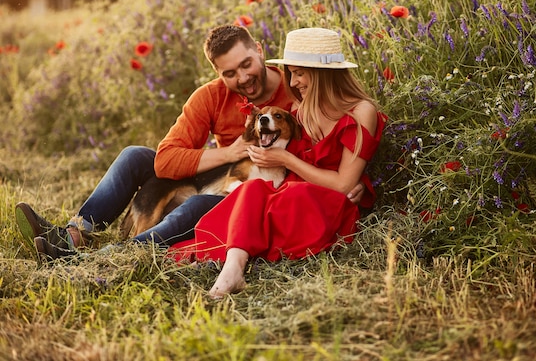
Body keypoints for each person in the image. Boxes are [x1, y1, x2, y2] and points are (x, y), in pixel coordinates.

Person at [16, 24, 365, 260]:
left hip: (243, 195)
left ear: (260, 51)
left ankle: (114, 256)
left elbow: (326, 152)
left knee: (198, 205)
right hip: (215, 178)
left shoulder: (300, 98)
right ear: (217, 73)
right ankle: (76, 233)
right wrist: (229, 151)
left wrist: (351, 184)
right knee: (136, 155)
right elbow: (164, 161)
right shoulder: (209, 97)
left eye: (247, 65)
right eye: (229, 73)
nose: (242, 78)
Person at [166, 27, 387, 298]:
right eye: (291, 73)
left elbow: (343, 183)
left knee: (260, 195)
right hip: (291, 191)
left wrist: (286, 159)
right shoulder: (300, 109)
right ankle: (233, 269)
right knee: (251, 190)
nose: (293, 82)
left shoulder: (361, 111)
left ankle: (234, 264)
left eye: (300, 73)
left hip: (325, 203)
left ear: (323, 72)